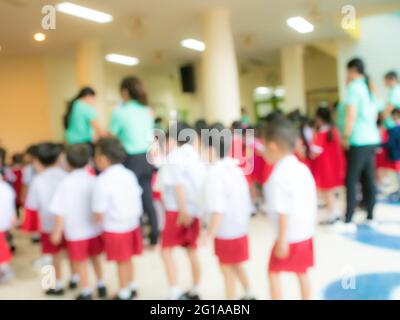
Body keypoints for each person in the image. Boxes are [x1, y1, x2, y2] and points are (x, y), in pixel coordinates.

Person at [263, 117, 317, 300]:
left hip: (289, 236)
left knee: (273, 272)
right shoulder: (301, 168)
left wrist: (282, 239)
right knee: (301, 272)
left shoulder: (279, 175)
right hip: (305, 233)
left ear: (273, 146)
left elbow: (283, 212)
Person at [202, 123, 255, 300]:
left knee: (226, 270)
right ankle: (249, 292)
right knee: (237, 264)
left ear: (210, 149)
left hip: (225, 231)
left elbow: (218, 210)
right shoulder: (235, 168)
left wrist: (209, 234)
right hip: (240, 227)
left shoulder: (214, 174)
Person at [49, 144, 106, 300]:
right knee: (95, 258)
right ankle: (101, 284)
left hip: (75, 232)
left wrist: (56, 232)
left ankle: (86, 290)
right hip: (93, 230)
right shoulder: (93, 179)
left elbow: (60, 212)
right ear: (89, 160)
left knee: (79, 262)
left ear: (66, 162)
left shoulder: (65, 184)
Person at [157, 121, 205, 300]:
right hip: (194, 210)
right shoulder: (194, 154)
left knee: (166, 250)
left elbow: (179, 185)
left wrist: (183, 210)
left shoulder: (175, 156)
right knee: (191, 249)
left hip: (178, 209)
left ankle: (174, 291)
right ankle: (195, 288)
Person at [109, 76, 158, 246]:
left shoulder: (119, 111)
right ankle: (155, 235)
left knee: (131, 197)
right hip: (147, 157)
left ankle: (136, 237)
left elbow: (111, 135)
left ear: (124, 92)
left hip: (130, 159)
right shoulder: (147, 110)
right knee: (147, 197)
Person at [92, 138, 143, 300]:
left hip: (115, 227)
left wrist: (97, 222)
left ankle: (123, 292)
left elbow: (98, 209)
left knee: (121, 261)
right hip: (132, 224)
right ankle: (131, 285)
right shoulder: (129, 174)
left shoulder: (102, 180)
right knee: (127, 259)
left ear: (103, 159)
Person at [335, 58, 380, 233]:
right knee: (368, 179)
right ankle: (370, 217)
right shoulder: (369, 87)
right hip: (371, 139)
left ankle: (348, 220)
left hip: (358, 140)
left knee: (351, 180)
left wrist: (346, 136)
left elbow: (351, 114)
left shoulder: (354, 87)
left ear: (353, 70)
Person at [24, 143, 72, 295]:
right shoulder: (66, 176)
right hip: (69, 224)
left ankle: (52, 284)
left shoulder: (38, 180)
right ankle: (75, 278)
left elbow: (31, 204)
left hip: (48, 225)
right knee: (72, 254)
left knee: (51, 256)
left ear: (38, 162)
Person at [311, 106, 346, 224]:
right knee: (332, 191)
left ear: (319, 118)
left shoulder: (322, 132)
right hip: (335, 165)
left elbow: (316, 150)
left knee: (327, 192)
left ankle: (333, 214)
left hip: (325, 166)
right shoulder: (334, 130)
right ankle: (334, 212)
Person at [0, 174, 16, 284]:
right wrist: (13, 218)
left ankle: (5, 269)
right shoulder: (7, 187)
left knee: (2, 247)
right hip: (4, 222)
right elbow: (11, 206)